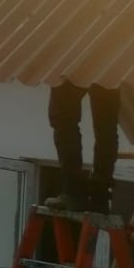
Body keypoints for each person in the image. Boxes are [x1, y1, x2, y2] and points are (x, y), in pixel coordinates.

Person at [47, 79, 120, 213]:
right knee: (106, 126)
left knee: (63, 119)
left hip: (74, 68)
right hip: (110, 67)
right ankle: (100, 196)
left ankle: (75, 192)